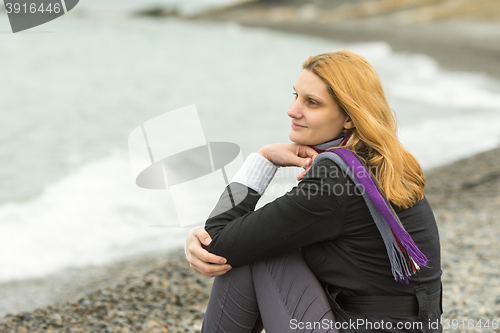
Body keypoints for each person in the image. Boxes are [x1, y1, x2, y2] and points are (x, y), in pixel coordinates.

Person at [185, 50, 442, 332]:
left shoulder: (334, 181)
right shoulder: (380, 161)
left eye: (312, 103)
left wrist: (262, 160)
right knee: (259, 242)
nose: (293, 110)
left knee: (258, 252)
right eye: (295, 95)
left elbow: (218, 241)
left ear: (349, 118)